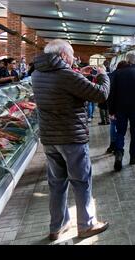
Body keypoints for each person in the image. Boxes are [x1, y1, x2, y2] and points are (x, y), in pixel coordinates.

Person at [31, 39, 109, 240]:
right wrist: (103, 75)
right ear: (64, 56)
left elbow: (61, 91)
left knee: (56, 184)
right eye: (72, 54)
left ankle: (57, 226)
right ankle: (86, 225)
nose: (74, 58)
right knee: (81, 181)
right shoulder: (65, 75)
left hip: (49, 138)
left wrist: (77, 78)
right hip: (71, 137)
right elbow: (100, 95)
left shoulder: (37, 74)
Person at [108, 51, 135, 171]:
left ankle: (119, 155)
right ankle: (133, 156)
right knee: (134, 132)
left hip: (120, 108)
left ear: (127, 60)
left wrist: (111, 110)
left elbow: (111, 94)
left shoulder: (117, 74)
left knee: (120, 132)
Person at [105, 60, 128, 154]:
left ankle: (112, 145)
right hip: (122, 106)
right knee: (120, 128)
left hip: (112, 105)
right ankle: (118, 147)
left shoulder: (111, 75)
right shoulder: (125, 77)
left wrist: (110, 108)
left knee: (113, 125)